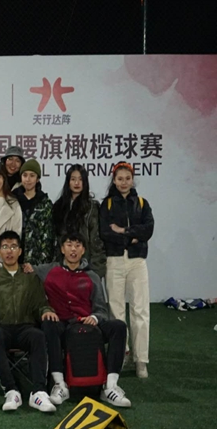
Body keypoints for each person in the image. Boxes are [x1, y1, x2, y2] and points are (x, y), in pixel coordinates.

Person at [27, 233, 131, 408]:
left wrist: (94, 318)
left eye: (77, 246)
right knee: (48, 325)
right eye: (69, 245)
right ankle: (60, 385)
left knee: (119, 327)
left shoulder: (92, 276)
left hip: (87, 324)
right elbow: (26, 269)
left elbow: (101, 309)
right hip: (62, 324)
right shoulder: (48, 270)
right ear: (62, 249)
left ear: (83, 250)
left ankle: (110, 387)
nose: (73, 249)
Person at [0, 231, 56, 412]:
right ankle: (11, 391)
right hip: (1, 327)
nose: (9, 251)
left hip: (26, 327)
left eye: (13, 247)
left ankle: (38, 393)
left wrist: (47, 311)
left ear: (20, 251)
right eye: (5, 247)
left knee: (38, 336)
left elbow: (41, 304)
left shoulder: (30, 277)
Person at [100, 162, 154, 379]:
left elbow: (148, 229)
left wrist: (123, 230)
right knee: (116, 311)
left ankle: (141, 360)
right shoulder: (107, 204)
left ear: (133, 180)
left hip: (137, 261)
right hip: (114, 260)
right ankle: (121, 354)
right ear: (114, 181)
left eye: (127, 178)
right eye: (120, 178)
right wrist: (131, 236)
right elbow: (105, 233)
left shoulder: (142, 203)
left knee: (140, 310)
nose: (124, 182)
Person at [52, 165, 106, 279]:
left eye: (80, 179)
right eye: (73, 179)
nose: (77, 183)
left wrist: (96, 271)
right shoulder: (59, 206)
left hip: (85, 266)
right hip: (62, 266)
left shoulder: (92, 207)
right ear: (68, 182)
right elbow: (56, 239)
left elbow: (96, 241)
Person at [13, 158, 55, 265]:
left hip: (36, 260)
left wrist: (43, 263)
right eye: (25, 175)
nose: (28, 179)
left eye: (32, 176)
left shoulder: (45, 203)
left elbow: (48, 235)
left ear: (37, 179)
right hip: (13, 256)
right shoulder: (12, 200)